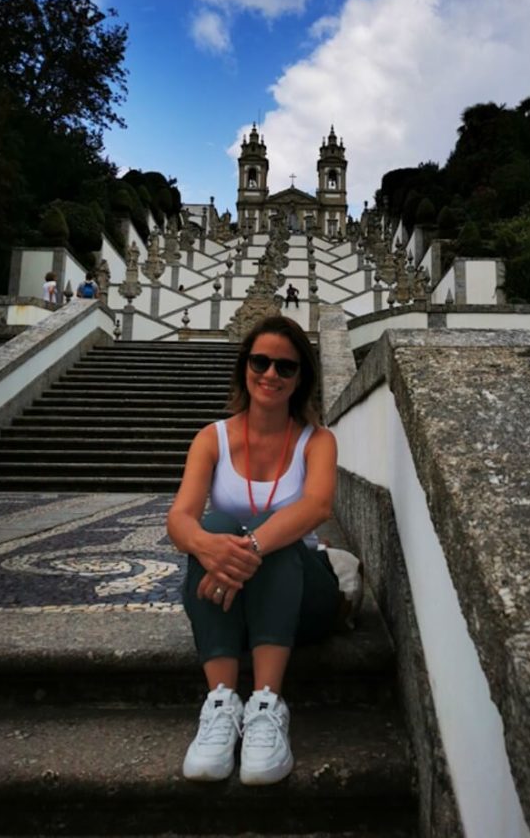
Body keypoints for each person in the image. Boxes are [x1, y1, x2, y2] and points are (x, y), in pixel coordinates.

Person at [166, 316, 340, 785]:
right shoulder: (212, 438)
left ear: (301, 377)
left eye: (286, 367)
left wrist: (252, 548)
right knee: (214, 527)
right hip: (237, 599)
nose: (271, 375)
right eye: (260, 362)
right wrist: (207, 545)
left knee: (273, 533)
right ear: (244, 367)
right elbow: (179, 518)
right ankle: (222, 703)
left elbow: (318, 505)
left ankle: (266, 704)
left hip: (305, 595)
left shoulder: (316, 440)